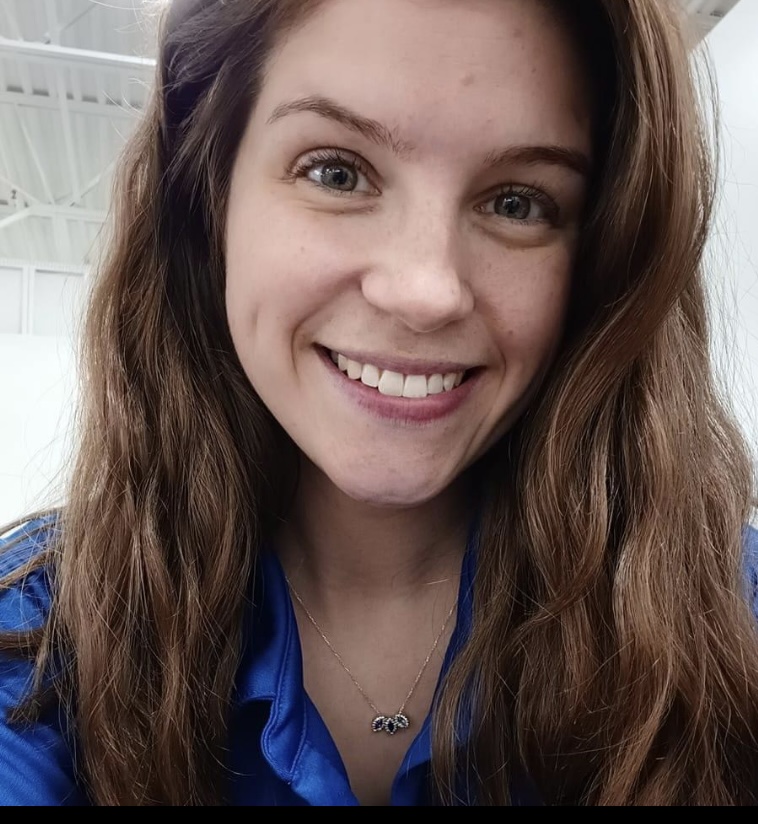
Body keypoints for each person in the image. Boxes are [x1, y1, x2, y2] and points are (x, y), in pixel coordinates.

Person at [1, 0, 757, 806]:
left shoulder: (730, 615)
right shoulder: (37, 630)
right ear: (207, 198)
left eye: (517, 202)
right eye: (336, 172)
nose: (426, 291)